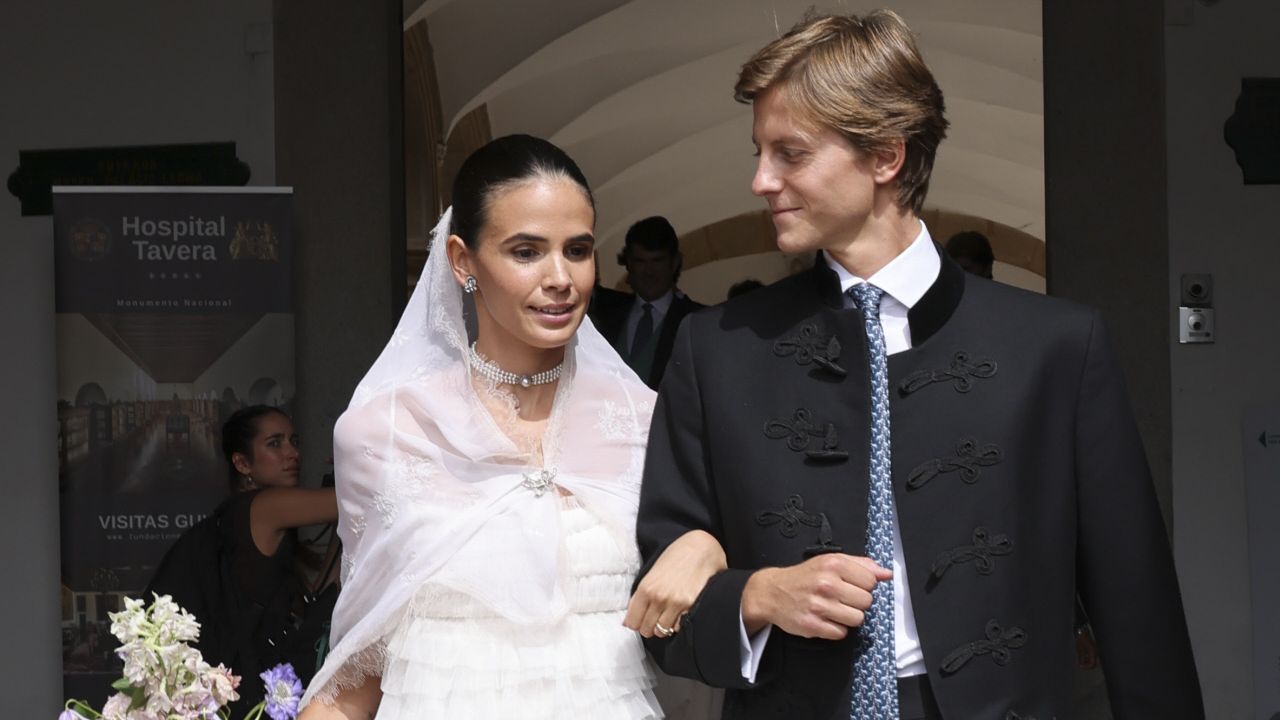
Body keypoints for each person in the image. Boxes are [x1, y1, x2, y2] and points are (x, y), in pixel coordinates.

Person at [633, 10, 1202, 719]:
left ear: (885, 156)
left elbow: (1137, 605)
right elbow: (660, 616)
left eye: (791, 153)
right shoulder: (715, 352)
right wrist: (755, 597)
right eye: (759, 151)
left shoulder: (1058, 348)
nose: (759, 180)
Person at [299, 135, 723, 719]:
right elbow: (358, 666)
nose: (560, 278)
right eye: (526, 251)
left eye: (577, 250)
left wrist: (708, 547)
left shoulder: (643, 421)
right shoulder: (389, 430)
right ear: (461, 260)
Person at [148, 405, 339, 713]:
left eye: (294, 441)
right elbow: (349, 501)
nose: (292, 453)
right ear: (242, 463)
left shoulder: (241, 517)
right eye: (275, 443)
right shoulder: (264, 506)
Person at [593, 216, 704, 389]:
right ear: (629, 264)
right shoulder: (604, 311)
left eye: (657, 261)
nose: (649, 272)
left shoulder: (697, 321)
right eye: (640, 262)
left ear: (673, 263)